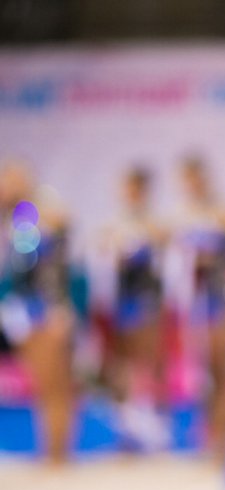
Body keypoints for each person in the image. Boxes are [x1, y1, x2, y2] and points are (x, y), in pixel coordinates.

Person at [0, 158, 78, 466]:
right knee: (44, 385)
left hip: (50, 310)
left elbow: (61, 222)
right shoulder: (15, 219)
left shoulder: (39, 210)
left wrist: (60, 310)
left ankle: (58, 454)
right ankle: (51, 451)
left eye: (12, 180)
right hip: (26, 311)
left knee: (56, 383)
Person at [168, 155, 225, 465]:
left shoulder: (223, 212)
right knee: (203, 374)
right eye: (187, 180)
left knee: (222, 372)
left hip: (221, 301)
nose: (192, 185)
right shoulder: (179, 216)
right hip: (193, 304)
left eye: (197, 178)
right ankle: (209, 434)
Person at [96, 165, 171, 452]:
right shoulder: (115, 223)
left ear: (143, 191)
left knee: (150, 362)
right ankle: (127, 429)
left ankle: (158, 427)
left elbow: (162, 249)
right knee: (120, 365)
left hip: (146, 301)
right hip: (120, 301)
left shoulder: (155, 223)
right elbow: (103, 253)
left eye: (133, 188)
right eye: (125, 188)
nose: (128, 194)